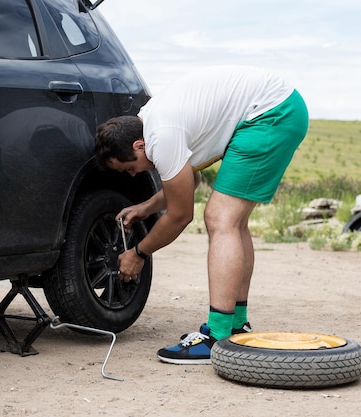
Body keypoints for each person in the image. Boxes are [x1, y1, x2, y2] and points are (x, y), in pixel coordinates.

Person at [94, 65, 309, 364]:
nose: (133, 174)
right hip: (277, 107)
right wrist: (145, 208)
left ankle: (217, 336)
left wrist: (138, 254)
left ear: (138, 145)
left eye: (130, 167)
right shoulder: (152, 120)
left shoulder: (161, 136)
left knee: (220, 218)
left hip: (270, 115)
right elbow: (189, 181)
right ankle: (236, 324)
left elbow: (181, 215)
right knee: (234, 221)